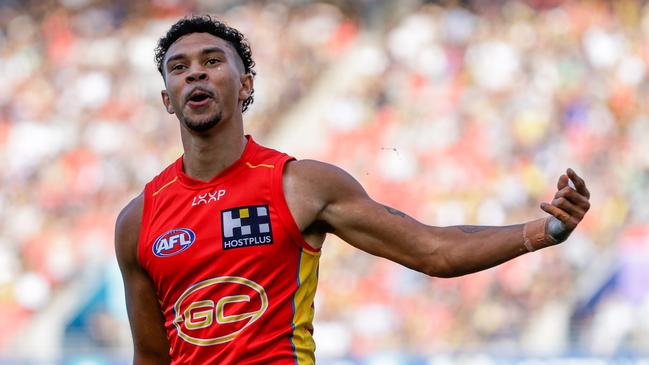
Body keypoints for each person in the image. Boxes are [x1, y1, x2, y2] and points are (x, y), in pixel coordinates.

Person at [114, 15, 591, 365]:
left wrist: (545, 229)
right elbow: (151, 358)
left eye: (212, 61)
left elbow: (434, 251)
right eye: (178, 68)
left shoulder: (299, 185)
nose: (194, 73)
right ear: (167, 100)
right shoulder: (138, 220)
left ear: (245, 86)